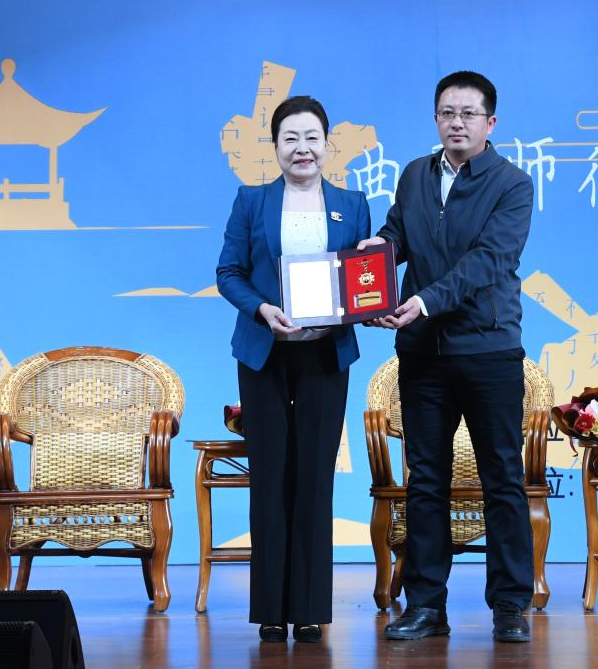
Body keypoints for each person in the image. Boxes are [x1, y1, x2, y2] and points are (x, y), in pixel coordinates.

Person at [358, 71, 536, 643]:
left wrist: (424, 301)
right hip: (423, 353)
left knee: (501, 479)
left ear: (490, 122)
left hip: (489, 350)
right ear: (436, 118)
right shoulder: (415, 173)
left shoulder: (513, 184)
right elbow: (397, 235)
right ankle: (426, 606)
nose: (456, 123)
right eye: (447, 113)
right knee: (426, 480)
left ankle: (510, 605)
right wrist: (375, 257)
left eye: (468, 113)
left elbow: (490, 260)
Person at [217, 95, 370, 643]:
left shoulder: (353, 204)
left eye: (311, 138)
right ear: (275, 146)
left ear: (327, 144)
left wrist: (368, 296)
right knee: (269, 477)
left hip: (326, 356)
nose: (302, 148)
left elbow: (362, 279)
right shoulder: (251, 201)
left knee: (314, 478)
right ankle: (270, 610)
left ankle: (308, 608)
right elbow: (228, 272)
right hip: (265, 354)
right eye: (290, 138)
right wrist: (263, 309)